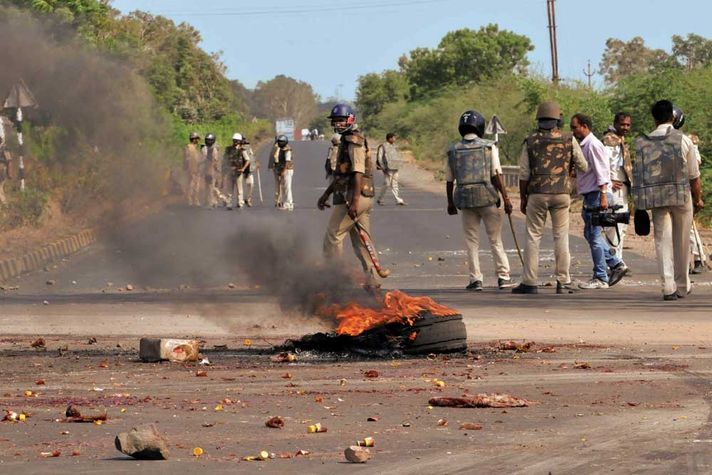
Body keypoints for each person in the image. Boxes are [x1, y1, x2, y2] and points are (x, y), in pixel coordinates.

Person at [512, 101, 588, 294]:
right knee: (561, 236)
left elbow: (523, 173)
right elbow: (584, 166)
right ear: (558, 120)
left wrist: (523, 198)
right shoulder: (569, 139)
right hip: (562, 193)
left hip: (537, 194)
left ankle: (529, 282)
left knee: (533, 237)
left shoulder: (530, 140)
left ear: (538, 119)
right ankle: (563, 280)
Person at [632, 100, 704, 300]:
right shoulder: (683, 140)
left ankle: (668, 287)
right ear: (672, 117)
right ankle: (682, 285)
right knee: (682, 242)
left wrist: (639, 206)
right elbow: (694, 176)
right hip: (681, 197)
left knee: (662, 241)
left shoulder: (641, 142)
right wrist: (698, 199)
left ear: (654, 118)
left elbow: (637, 176)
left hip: (656, 198)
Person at [446, 110, 514, 291]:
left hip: (465, 200)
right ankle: (503, 276)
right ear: (481, 127)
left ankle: (476, 279)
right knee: (495, 239)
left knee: (471, 241)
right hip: (488, 199)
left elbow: (449, 179)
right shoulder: (489, 147)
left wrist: (450, 203)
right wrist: (506, 198)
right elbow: (497, 174)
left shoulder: (453, 150)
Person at [317, 103, 382, 290]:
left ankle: (334, 278)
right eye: (335, 121)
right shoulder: (345, 140)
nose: (337, 124)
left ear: (351, 119)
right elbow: (341, 174)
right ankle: (373, 279)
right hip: (357, 196)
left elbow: (357, 173)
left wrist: (353, 202)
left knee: (333, 236)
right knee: (362, 240)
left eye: (341, 120)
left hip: (355, 197)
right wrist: (326, 194)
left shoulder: (354, 140)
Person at [571, 113, 629, 289]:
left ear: (584, 126)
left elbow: (602, 171)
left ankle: (601, 277)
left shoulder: (594, 145)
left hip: (598, 194)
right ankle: (616, 264)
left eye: (575, 127)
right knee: (590, 234)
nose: (573, 130)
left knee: (595, 237)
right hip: (591, 195)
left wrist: (604, 194)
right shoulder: (585, 145)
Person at [671, 107, 707, 274]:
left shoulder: (687, 141)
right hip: (671, 189)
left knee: (688, 226)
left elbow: (695, 166)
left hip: (685, 188)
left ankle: (699, 258)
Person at [602, 112, 633, 259]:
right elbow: (602, 163)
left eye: (628, 124)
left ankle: (617, 260)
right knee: (614, 227)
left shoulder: (619, 139)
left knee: (621, 226)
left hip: (622, 189)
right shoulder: (610, 140)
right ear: (615, 124)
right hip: (615, 190)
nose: (625, 127)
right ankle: (614, 262)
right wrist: (609, 181)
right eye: (622, 124)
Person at [376, 133, 406, 206]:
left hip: (395, 167)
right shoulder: (382, 146)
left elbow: (398, 156)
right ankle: (380, 199)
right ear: (389, 138)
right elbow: (380, 158)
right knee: (387, 184)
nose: (395, 139)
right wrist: (383, 167)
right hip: (387, 168)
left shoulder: (395, 146)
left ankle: (398, 200)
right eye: (393, 138)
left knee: (395, 184)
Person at [223, 133, 250, 210]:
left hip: (238, 172)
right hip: (230, 171)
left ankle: (240, 203)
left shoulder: (242, 150)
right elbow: (224, 160)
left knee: (239, 189)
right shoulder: (228, 149)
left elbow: (247, 160)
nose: (235, 142)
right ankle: (229, 203)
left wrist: (243, 169)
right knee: (229, 189)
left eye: (237, 141)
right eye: (234, 140)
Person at [201, 133, 221, 208]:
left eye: (210, 140)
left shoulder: (209, 149)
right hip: (208, 169)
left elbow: (215, 161)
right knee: (209, 186)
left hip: (209, 169)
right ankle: (210, 201)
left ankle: (211, 201)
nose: (209, 141)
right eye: (208, 140)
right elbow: (215, 160)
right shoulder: (206, 149)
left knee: (211, 186)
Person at [275, 135, 294, 211]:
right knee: (285, 187)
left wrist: (283, 171)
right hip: (284, 170)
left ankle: (289, 204)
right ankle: (288, 203)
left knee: (287, 187)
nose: (279, 143)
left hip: (287, 170)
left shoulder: (287, 150)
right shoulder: (282, 149)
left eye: (280, 142)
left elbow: (287, 162)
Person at [183, 132, 202, 207]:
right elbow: (187, 159)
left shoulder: (195, 148)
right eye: (196, 139)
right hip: (191, 169)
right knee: (191, 185)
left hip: (197, 169)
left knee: (196, 185)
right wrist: (189, 169)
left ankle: (195, 199)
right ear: (193, 139)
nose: (197, 140)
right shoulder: (189, 147)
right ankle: (190, 200)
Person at [239, 136, 256, 207]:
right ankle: (240, 200)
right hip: (240, 169)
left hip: (248, 169)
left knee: (251, 184)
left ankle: (248, 199)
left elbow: (252, 157)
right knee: (241, 186)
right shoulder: (237, 149)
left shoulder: (248, 147)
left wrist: (255, 163)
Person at [0, 134, 12, 205]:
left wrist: (9, 173)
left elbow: (9, 160)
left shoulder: (4, 148)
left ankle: (4, 204)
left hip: (2, 169)